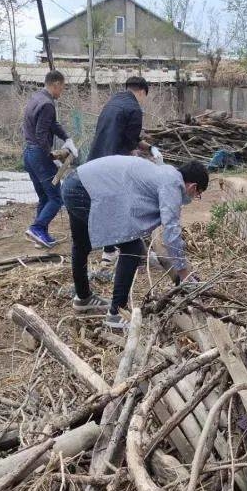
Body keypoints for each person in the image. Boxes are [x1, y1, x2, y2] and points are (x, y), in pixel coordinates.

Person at [61, 155, 207, 330]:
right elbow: (171, 231)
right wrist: (183, 273)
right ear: (193, 186)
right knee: (132, 247)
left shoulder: (164, 173)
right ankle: (116, 314)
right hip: (85, 189)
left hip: (74, 182)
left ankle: (83, 298)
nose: (193, 198)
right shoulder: (172, 184)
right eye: (197, 195)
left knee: (81, 244)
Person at [86, 76, 163, 265]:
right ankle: (131, 252)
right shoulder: (134, 108)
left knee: (106, 205)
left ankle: (109, 250)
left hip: (96, 161)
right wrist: (143, 157)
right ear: (142, 91)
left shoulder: (113, 102)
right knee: (124, 205)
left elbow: (127, 137)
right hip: (113, 165)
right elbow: (131, 143)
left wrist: (149, 147)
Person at [22, 69, 77, 248]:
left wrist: (67, 138)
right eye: (62, 87)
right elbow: (41, 134)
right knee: (56, 198)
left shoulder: (36, 98)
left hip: (29, 154)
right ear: (56, 84)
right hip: (39, 155)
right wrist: (50, 156)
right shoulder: (47, 104)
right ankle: (37, 228)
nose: (62, 91)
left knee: (45, 197)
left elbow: (52, 124)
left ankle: (40, 236)